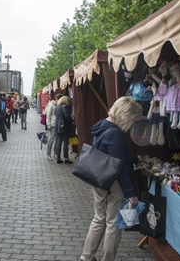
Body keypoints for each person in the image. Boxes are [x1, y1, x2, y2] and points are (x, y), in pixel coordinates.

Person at [80, 96, 142, 261]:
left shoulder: (102, 125)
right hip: (112, 183)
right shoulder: (115, 132)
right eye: (133, 120)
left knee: (99, 219)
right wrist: (130, 193)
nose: (132, 124)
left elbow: (111, 154)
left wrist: (133, 159)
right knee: (113, 224)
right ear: (126, 115)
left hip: (99, 179)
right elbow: (119, 166)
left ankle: (86, 257)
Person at [54, 95, 74, 164]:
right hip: (64, 127)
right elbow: (67, 116)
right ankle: (66, 158)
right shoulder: (65, 106)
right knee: (65, 142)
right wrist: (72, 120)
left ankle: (58, 157)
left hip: (58, 127)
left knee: (58, 142)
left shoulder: (57, 107)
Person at [45, 93, 63, 160]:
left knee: (57, 140)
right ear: (56, 99)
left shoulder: (59, 105)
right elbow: (48, 116)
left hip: (58, 124)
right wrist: (48, 125)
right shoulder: (51, 105)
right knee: (51, 140)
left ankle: (55, 153)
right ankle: (48, 154)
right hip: (53, 124)